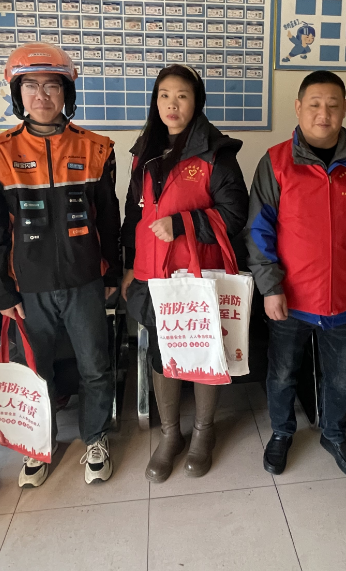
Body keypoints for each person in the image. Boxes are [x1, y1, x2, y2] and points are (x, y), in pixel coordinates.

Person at [0, 44, 121, 487]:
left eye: (52, 85)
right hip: (27, 290)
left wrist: (113, 272)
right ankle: (38, 444)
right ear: (17, 94)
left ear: (67, 92)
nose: (41, 95)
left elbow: (109, 219)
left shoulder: (97, 149)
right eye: (31, 86)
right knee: (33, 372)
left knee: (94, 366)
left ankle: (95, 437)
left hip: (85, 281)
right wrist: (2, 292)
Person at [247, 71, 346, 478]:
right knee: (281, 375)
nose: (323, 113)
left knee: (342, 378)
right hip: (289, 299)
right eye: (314, 104)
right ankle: (282, 432)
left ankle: (333, 433)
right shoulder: (276, 162)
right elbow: (258, 231)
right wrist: (270, 287)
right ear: (298, 108)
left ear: (344, 109)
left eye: (332, 105)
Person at [121, 65, 248, 481]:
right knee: (163, 352)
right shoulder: (144, 152)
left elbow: (235, 213)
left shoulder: (216, 152)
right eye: (164, 95)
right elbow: (133, 215)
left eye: (182, 96)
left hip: (198, 273)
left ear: (197, 103)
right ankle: (170, 434)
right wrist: (129, 265)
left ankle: (203, 433)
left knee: (204, 350)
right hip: (153, 275)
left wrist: (182, 223)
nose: (172, 104)